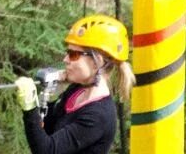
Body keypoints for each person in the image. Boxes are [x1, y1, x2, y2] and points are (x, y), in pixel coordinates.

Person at [11, 15, 130, 154]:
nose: (65, 59)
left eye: (74, 54)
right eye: (67, 52)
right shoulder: (77, 90)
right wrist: (50, 95)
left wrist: (30, 108)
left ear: (97, 61)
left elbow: (47, 150)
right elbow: (48, 130)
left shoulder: (98, 116)